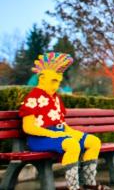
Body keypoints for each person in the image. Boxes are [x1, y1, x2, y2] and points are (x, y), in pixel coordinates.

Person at [20, 53, 108, 190]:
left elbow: (62, 124)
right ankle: (73, 187)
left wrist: (74, 133)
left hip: (59, 135)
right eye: (53, 81)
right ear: (42, 79)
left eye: (59, 81)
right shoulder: (33, 97)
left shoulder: (55, 98)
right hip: (39, 139)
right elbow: (28, 127)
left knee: (93, 142)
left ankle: (89, 183)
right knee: (72, 145)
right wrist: (53, 134)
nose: (57, 85)